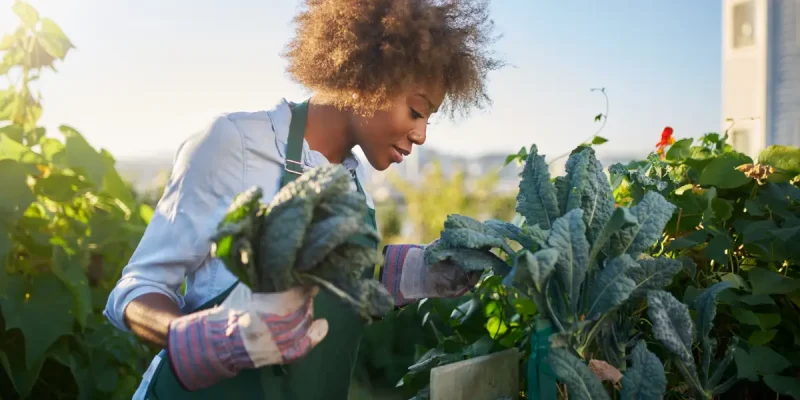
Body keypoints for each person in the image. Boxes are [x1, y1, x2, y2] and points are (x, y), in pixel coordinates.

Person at [103, 0, 504, 398]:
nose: (422, 135)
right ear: (369, 76)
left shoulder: (353, 179)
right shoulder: (236, 143)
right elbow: (136, 290)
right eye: (417, 111)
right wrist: (195, 338)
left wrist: (416, 272)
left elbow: (325, 292)